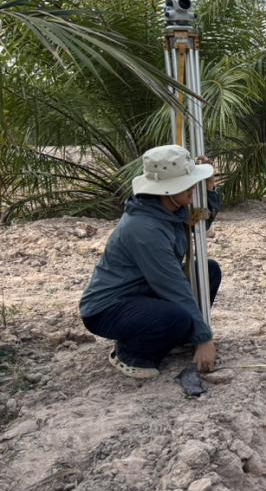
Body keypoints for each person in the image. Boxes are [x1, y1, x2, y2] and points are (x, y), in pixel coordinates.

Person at [80, 145, 223, 380]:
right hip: (109, 308)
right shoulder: (145, 229)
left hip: (143, 291)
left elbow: (196, 229)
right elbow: (174, 287)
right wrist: (204, 338)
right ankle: (130, 354)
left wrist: (210, 192)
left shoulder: (166, 209)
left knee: (208, 271)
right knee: (175, 316)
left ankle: (174, 335)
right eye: (188, 183)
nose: (193, 188)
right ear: (167, 190)